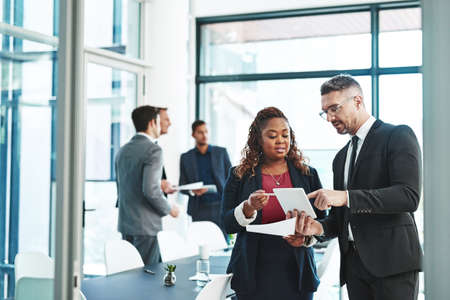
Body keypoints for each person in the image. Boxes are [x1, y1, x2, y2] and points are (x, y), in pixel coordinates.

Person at [296, 75, 422, 300]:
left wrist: (345, 197)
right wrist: (316, 229)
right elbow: (339, 219)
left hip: (393, 264)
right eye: (325, 112)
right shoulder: (341, 158)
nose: (329, 118)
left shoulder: (397, 136)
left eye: (334, 108)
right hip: (354, 267)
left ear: (357, 101)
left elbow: (408, 196)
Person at [222, 107, 326, 300]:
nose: (281, 140)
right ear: (258, 140)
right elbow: (226, 223)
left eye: (285, 135)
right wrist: (248, 208)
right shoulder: (240, 175)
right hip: (253, 269)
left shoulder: (308, 174)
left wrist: (306, 239)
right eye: (272, 136)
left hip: (297, 269)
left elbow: (324, 224)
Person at [116, 105, 179, 265]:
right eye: (159, 121)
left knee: (129, 274)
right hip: (146, 226)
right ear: (152, 123)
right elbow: (150, 191)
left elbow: (128, 184)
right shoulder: (153, 150)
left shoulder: (122, 150)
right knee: (148, 275)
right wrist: (169, 208)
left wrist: (159, 183)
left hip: (126, 223)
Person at [179, 120, 231, 233]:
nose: (204, 135)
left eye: (206, 131)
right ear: (193, 134)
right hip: (198, 208)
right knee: (200, 241)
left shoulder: (221, 152)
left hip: (219, 206)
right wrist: (192, 191)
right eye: (200, 132)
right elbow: (182, 185)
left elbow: (232, 179)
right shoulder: (186, 157)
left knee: (222, 242)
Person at [156, 107, 177, 195]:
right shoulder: (151, 149)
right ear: (155, 121)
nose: (170, 123)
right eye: (166, 120)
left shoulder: (155, 145)